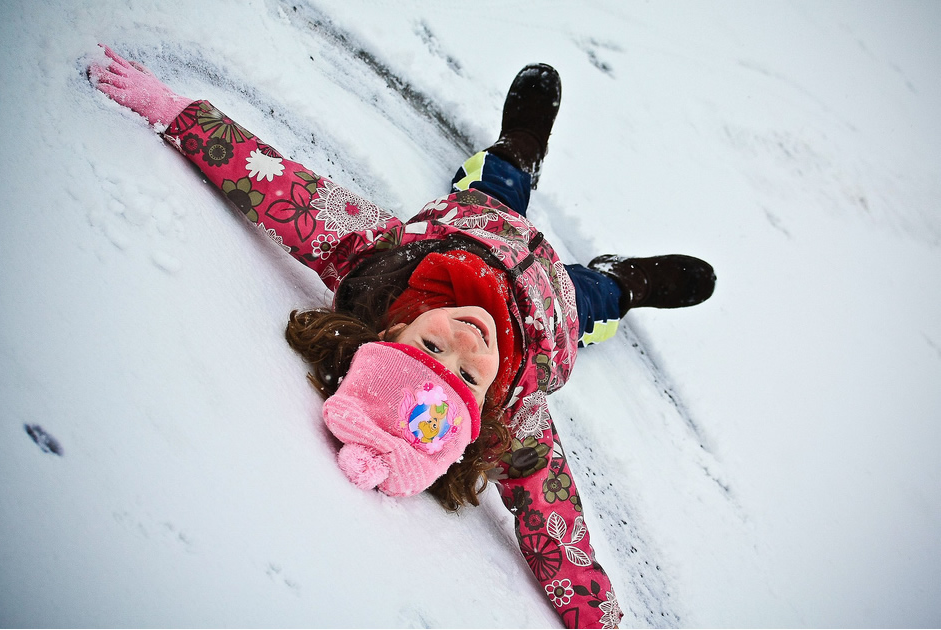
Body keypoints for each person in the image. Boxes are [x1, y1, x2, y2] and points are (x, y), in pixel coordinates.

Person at [89, 44, 715, 629]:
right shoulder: (515, 413)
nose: (468, 347)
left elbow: (279, 187)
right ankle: (624, 282)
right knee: (595, 299)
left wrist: (176, 114)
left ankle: (520, 146)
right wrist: (597, 618)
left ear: (394, 329)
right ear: (482, 410)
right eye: (469, 377)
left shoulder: (381, 263)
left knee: (500, 177)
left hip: (481, 217)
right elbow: (554, 522)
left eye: (432, 349)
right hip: (559, 308)